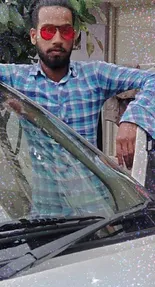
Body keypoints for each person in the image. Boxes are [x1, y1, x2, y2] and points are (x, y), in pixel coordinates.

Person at [1, 0, 155, 171]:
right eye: (48, 31)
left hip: (92, 194)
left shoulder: (94, 75)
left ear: (73, 36)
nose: (57, 40)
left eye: (65, 31)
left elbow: (152, 79)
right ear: (33, 36)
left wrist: (132, 119)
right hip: (44, 196)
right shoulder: (17, 78)